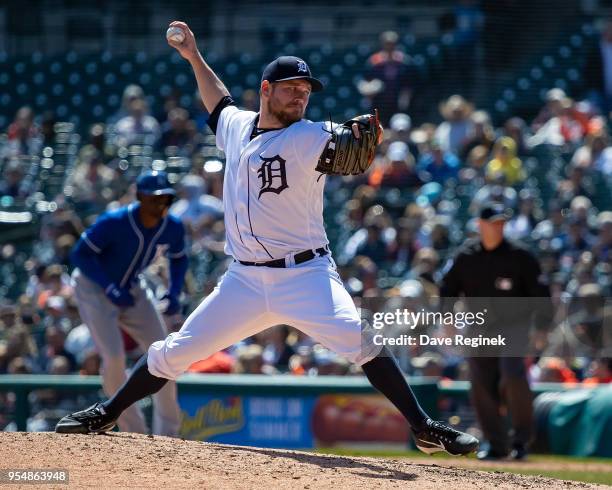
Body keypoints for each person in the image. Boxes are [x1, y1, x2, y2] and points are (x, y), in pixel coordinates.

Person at [56, 20, 479, 457]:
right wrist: (194, 57)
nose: (300, 95)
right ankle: (107, 413)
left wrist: (351, 139)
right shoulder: (238, 127)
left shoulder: (308, 136)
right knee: (172, 352)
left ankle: (423, 427)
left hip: (306, 274)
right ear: (266, 89)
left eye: (306, 89)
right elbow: (217, 103)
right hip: (243, 281)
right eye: (291, 87)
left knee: (364, 340)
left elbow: (337, 143)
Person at [63, 170, 187, 436]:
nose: (161, 204)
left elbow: (179, 258)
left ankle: (170, 435)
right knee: (114, 357)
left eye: (166, 198)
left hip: (132, 286)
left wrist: (174, 292)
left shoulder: (172, 225)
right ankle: (133, 432)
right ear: (140, 196)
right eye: (155, 198)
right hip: (93, 286)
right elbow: (81, 255)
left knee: (167, 354)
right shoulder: (115, 220)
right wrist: (108, 286)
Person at [439, 203, 553, 460]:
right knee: (480, 381)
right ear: (479, 225)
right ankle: (496, 443)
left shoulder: (520, 256)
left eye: (501, 223)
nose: (497, 227)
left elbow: (541, 295)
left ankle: (522, 441)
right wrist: (448, 321)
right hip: (479, 326)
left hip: (514, 325)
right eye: (492, 223)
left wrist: (542, 328)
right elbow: (447, 289)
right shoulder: (466, 256)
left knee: (512, 373)